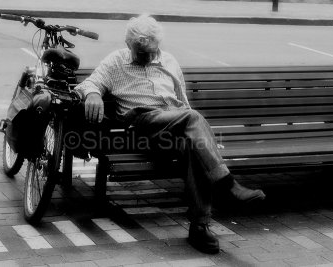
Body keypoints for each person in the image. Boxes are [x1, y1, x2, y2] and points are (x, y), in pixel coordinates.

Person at [74, 14, 265, 254]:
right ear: (129, 45)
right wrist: (92, 94)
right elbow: (88, 83)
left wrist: (196, 135)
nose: (150, 57)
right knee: (193, 117)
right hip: (142, 126)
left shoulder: (169, 61)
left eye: (153, 51)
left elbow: (182, 101)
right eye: (142, 53)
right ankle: (228, 185)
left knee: (191, 146)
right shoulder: (116, 62)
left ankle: (199, 226)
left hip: (172, 125)